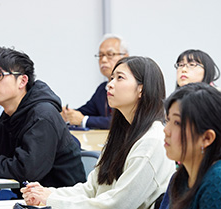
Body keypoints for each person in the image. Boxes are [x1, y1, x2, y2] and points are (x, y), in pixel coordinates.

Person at [21, 56, 176, 209]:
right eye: (111, 78)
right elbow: (92, 190)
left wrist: (52, 200)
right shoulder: (122, 135)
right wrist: (47, 194)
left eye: (119, 78)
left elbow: (117, 205)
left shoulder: (152, 140)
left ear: (141, 89)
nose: (109, 85)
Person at [0, 48, 86, 194]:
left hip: (59, 199)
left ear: (22, 81)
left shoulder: (42, 115)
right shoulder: (11, 111)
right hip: (28, 197)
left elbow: (27, 170)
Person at [160, 83, 221, 209]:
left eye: (177, 123)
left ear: (207, 138)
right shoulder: (180, 178)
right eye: (168, 120)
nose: (166, 130)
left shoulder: (218, 181)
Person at [61, 34, 129, 129]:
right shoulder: (102, 89)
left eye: (110, 55)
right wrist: (67, 113)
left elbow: (123, 121)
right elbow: (86, 111)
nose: (103, 60)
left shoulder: (128, 87)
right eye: (100, 55)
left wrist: (84, 120)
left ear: (125, 57)